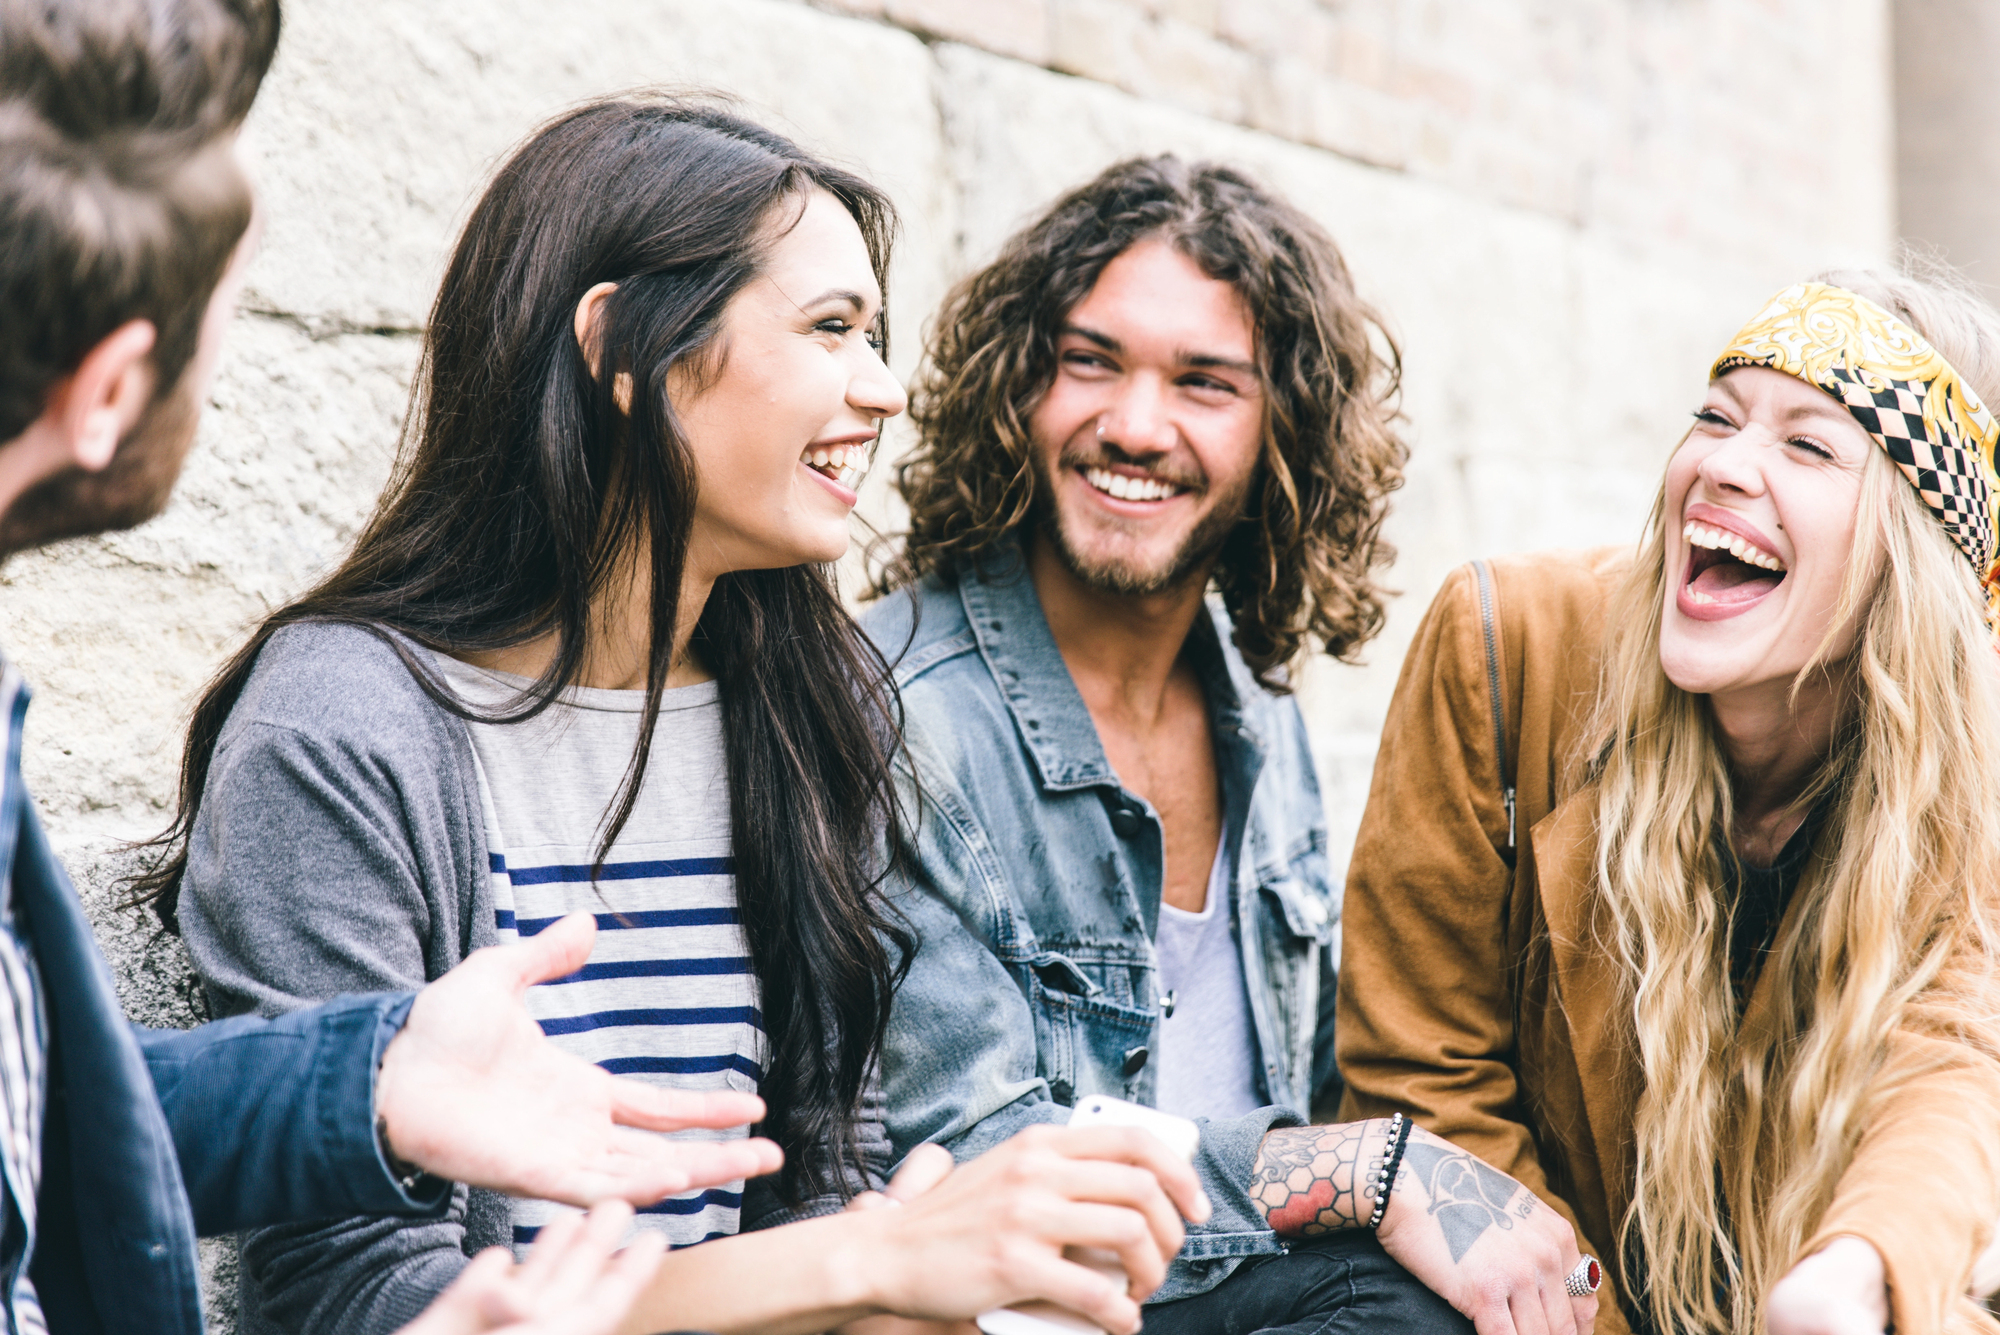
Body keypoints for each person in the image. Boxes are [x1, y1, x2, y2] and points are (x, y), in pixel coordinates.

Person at [148, 95, 1208, 1335]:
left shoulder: (808, 703)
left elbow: (822, 1178)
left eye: (875, 336)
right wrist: (866, 1265)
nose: (884, 390)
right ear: (620, 352)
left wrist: (895, 1257)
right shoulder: (346, 726)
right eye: (830, 329)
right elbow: (366, 1300)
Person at [0, 3, 786, 1333]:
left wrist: (358, 1082)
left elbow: (29, 1137)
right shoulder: (346, 716)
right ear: (109, 390)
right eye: (233, 303)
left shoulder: (793, 700)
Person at [861, 155, 1594, 1335]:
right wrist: (1362, 1170)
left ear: (1279, 435)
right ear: (1018, 386)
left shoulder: (1256, 712)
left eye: (1203, 384)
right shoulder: (895, 713)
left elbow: (1316, 1076)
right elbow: (974, 1154)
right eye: (1088, 361)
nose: (1132, 427)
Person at [1338, 269, 2000, 1335]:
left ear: (1908, 565)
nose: (1720, 466)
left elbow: (1955, 1062)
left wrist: (1858, 1273)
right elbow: (1421, 1073)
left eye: (1806, 445)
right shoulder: (1508, 647)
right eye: (1713, 417)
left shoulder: (1966, 781)